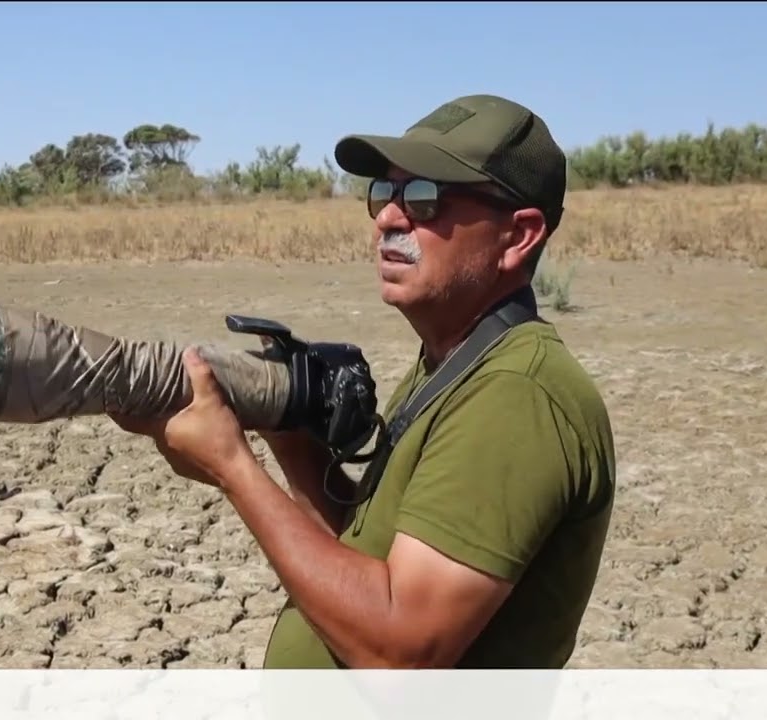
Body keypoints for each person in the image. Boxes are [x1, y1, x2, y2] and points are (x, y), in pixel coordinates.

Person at [112, 93, 616, 669]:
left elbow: (400, 650)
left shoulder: (518, 396)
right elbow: (363, 550)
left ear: (519, 235)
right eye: (385, 192)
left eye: (425, 198)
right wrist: (288, 433)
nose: (389, 218)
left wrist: (233, 468)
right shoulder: (454, 361)